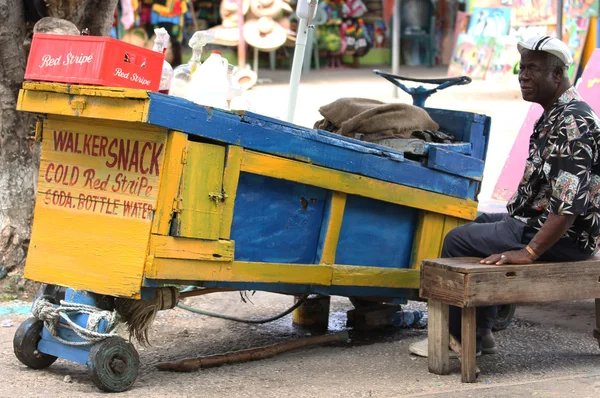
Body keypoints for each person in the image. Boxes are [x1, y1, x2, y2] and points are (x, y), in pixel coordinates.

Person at [409, 36, 600, 357]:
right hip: (537, 224)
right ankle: (481, 334)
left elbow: (568, 205)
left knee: (457, 241)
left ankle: (459, 338)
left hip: (562, 237)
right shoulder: (558, 111)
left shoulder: (572, 123)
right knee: (479, 224)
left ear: (557, 75)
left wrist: (529, 251)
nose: (523, 75)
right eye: (522, 68)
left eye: (533, 69)